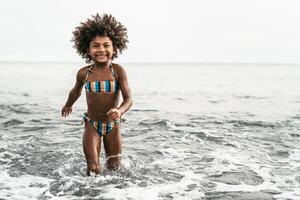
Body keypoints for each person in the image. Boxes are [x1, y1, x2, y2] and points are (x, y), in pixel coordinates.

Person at [61, 14, 133, 176]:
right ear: (87, 50)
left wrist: (120, 110)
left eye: (106, 45)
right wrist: (68, 105)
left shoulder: (118, 71)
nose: (101, 50)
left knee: (114, 166)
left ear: (115, 48)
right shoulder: (84, 73)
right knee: (93, 168)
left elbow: (129, 98)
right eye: (95, 46)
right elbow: (75, 92)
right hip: (92, 125)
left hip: (113, 126)